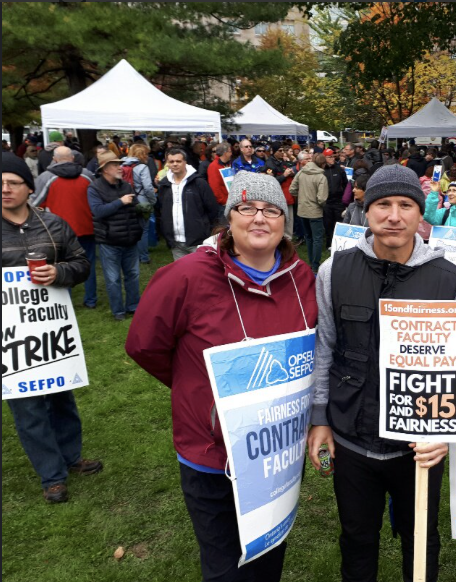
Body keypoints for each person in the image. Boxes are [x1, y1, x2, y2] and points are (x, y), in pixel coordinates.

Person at [126, 171, 316, 582]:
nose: (259, 219)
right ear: (229, 218)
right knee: (224, 566)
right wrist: (201, 393)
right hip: (211, 457)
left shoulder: (303, 279)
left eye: (271, 210)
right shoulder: (186, 276)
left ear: (285, 221)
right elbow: (144, 346)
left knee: (268, 553)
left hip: (276, 455)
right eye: (247, 208)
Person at [306, 163, 456, 582]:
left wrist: (444, 430)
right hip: (352, 438)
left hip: (416, 448)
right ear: (367, 209)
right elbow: (324, 346)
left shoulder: (449, 279)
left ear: (422, 214)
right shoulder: (334, 270)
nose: (394, 215)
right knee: (357, 537)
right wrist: (319, 417)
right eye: (383, 204)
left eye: (406, 205)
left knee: (419, 538)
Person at [2, 153, 101, 503]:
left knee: (61, 394)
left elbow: (82, 263)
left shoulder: (53, 224)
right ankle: (51, 475)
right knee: (27, 406)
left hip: (51, 330)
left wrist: (58, 273)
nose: (5, 189)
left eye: (12, 182)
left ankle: (71, 456)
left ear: (29, 189)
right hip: (11, 338)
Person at [32, 146, 97, 308]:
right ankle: (91, 300)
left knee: (60, 265)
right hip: (86, 227)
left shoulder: (45, 177)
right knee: (88, 263)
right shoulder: (88, 175)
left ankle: (64, 301)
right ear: (73, 158)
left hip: (58, 231)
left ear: (54, 159)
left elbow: (33, 203)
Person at [87, 151, 144, 320]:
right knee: (113, 279)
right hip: (109, 241)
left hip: (130, 239)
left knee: (133, 275)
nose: (120, 167)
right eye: (115, 165)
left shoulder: (126, 185)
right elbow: (97, 211)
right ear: (105, 169)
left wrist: (140, 213)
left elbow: (134, 208)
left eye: (120, 164)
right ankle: (118, 311)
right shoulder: (94, 188)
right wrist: (120, 202)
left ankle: (133, 307)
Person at [157, 148, 219, 261]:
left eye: (178, 161)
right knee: (182, 275)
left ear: (185, 162)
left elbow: (212, 209)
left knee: (199, 274)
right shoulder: (164, 185)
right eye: (171, 162)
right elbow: (161, 209)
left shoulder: (199, 183)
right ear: (167, 164)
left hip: (197, 241)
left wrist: (204, 229)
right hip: (175, 243)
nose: (175, 164)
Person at [290, 152, 328, 272]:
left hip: (302, 210)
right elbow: (321, 198)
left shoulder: (302, 172)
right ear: (322, 164)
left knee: (309, 237)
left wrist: (301, 197)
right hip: (315, 211)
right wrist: (320, 204)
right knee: (317, 239)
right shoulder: (321, 177)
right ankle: (315, 264)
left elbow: (292, 189)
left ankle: (311, 262)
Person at [121, 144, 157, 265]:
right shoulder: (142, 167)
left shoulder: (121, 165)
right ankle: (144, 257)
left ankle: (131, 256)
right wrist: (152, 201)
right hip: (141, 201)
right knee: (143, 230)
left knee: (130, 228)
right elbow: (147, 187)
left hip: (126, 200)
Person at [322, 149, 349, 248]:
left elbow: (346, 184)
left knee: (339, 222)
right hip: (327, 201)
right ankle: (329, 243)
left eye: (333, 156)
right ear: (324, 158)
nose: (332, 159)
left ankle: (340, 243)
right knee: (328, 223)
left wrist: (344, 198)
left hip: (338, 201)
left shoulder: (339, 169)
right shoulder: (321, 170)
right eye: (329, 157)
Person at [207, 142, 234, 212]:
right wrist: (224, 201)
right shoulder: (213, 166)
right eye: (230, 151)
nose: (231, 154)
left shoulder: (228, 164)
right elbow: (215, 187)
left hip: (230, 201)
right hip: (223, 204)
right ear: (225, 153)